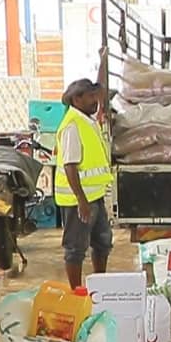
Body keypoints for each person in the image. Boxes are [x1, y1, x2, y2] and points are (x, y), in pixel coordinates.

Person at [56, 48, 113, 289]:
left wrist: (103, 60)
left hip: (94, 196)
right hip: (77, 201)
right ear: (77, 100)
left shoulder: (86, 120)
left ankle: (99, 285)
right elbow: (70, 166)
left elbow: (102, 88)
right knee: (75, 248)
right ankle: (76, 292)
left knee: (102, 242)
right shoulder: (72, 126)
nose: (95, 100)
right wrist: (81, 201)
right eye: (90, 97)